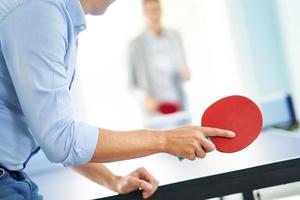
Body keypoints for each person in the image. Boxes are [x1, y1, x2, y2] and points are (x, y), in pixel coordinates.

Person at [0, 0, 235, 199]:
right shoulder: (40, 15)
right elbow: (60, 139)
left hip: (12, 178)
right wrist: (165, 139)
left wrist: (114, 181)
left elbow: (51, 127)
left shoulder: (52, 15)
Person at [129, 0, 191, 116]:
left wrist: (186, 74)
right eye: (150, 10)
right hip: (154, 110)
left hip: (179, 105)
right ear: (144, 13)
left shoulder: (175, 37)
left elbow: (184, 69)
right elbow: (131, 83)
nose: (154, 14)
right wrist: (144, 98)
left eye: (157, 9)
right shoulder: (136, 44)